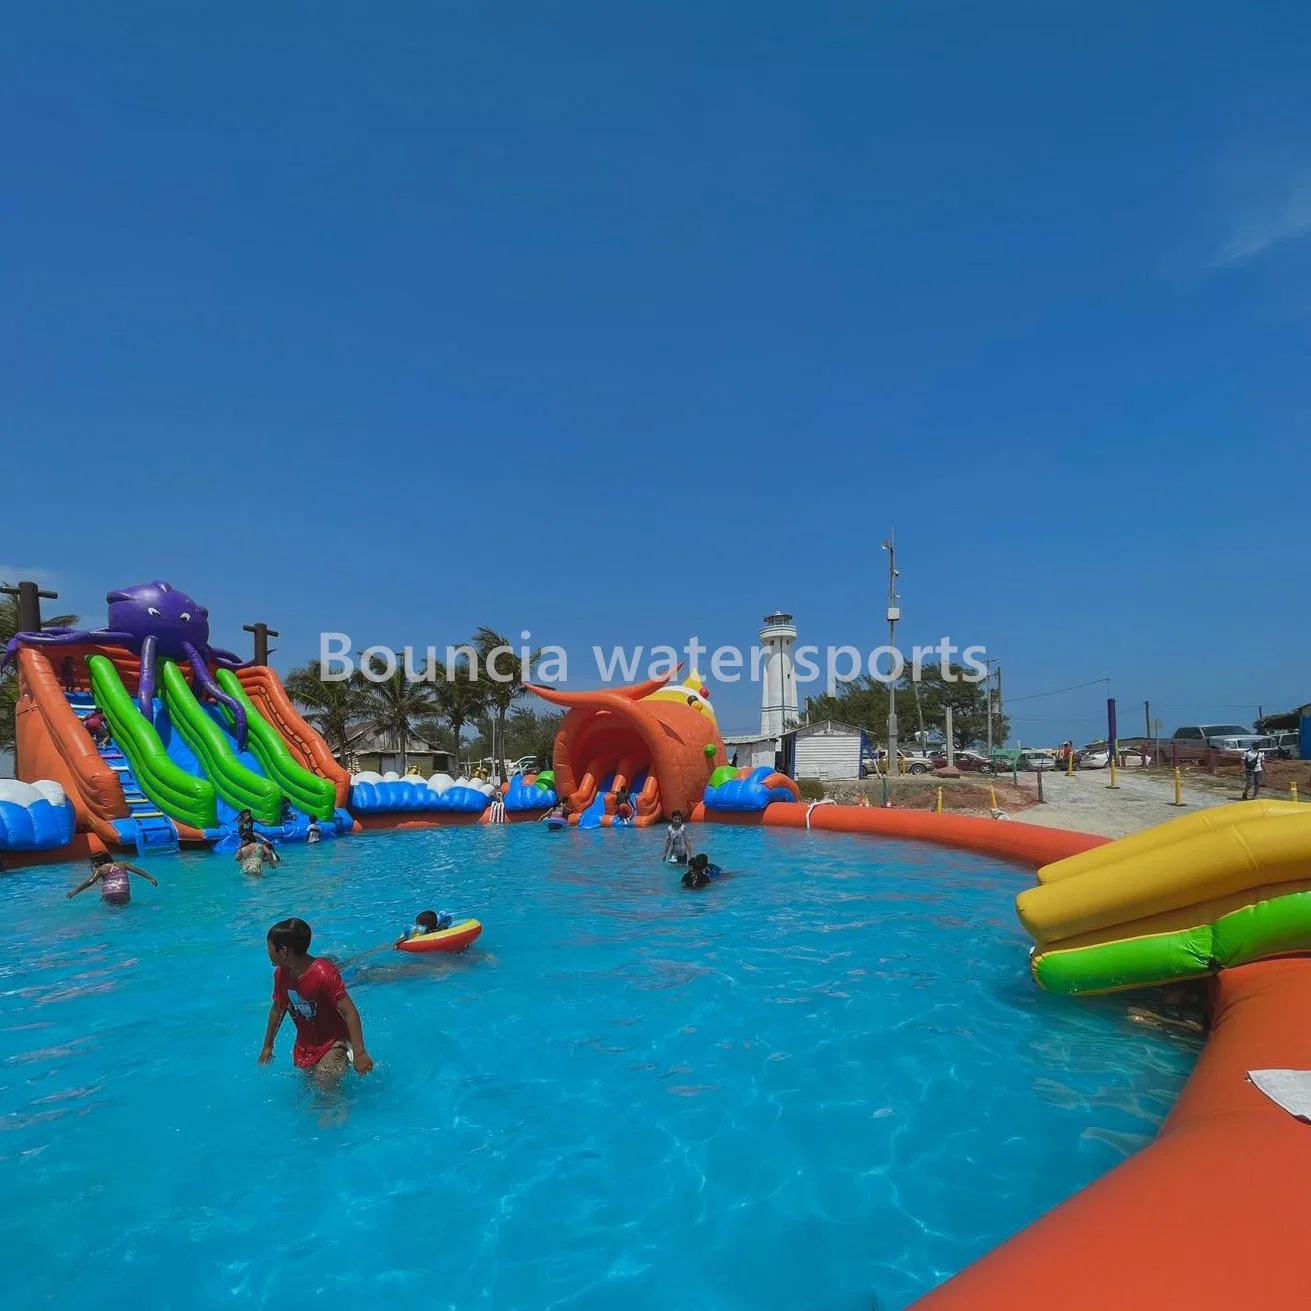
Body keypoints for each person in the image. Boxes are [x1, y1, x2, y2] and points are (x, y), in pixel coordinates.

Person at [259, 917, 373, 1080]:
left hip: (334, 1042)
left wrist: (360, 1053)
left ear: (283, 951)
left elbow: (350, 1012)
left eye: (269, 948)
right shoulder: (281, 974)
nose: (268, 952)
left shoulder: (323, 973)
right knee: (312, 1091)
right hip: (306, 1047)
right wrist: (268, 1045)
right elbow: (278, 1008)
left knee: (326, 1088)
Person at [67, 851, 158, 905]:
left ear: (101, 861)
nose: (92, 865)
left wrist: (75, 891)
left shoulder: (101, 869)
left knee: (105, 904)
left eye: (93, 862)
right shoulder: (123, 864)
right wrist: (150, 878)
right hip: (123, 893)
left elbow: (90, 882)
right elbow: (137, 870)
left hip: (108, 894)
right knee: (123, 907)